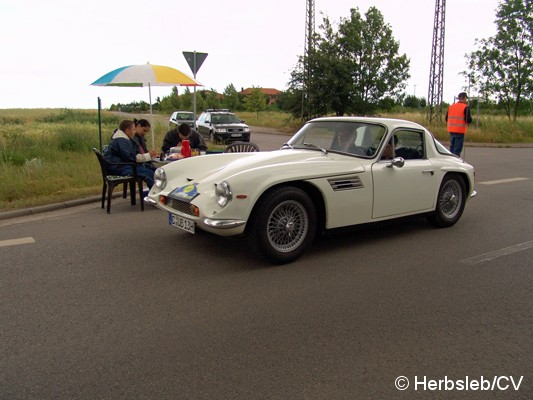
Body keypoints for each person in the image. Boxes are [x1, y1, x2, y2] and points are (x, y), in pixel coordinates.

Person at [104, 120, 155, 188]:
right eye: (133, 129)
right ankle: (155, 194)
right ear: (127, 130)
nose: (134, 132)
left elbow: (130, 155)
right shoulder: (121, 141)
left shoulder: (122, 139)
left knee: (153, 169)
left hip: (120, 165)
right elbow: (130, 157)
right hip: (119, 168)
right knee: (150, 173)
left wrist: (147, 156)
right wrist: (148, 156)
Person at [445, 92, 472, 156]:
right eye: (466, 98)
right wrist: (469, 123)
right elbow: (468, 120)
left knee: (452, 148)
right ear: (464, 98)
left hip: (451, 130)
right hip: (460, 131)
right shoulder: (465, 107)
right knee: (457, 150)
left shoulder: (451, 107)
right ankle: (455, 163)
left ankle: (451, 161)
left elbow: (446, 119)